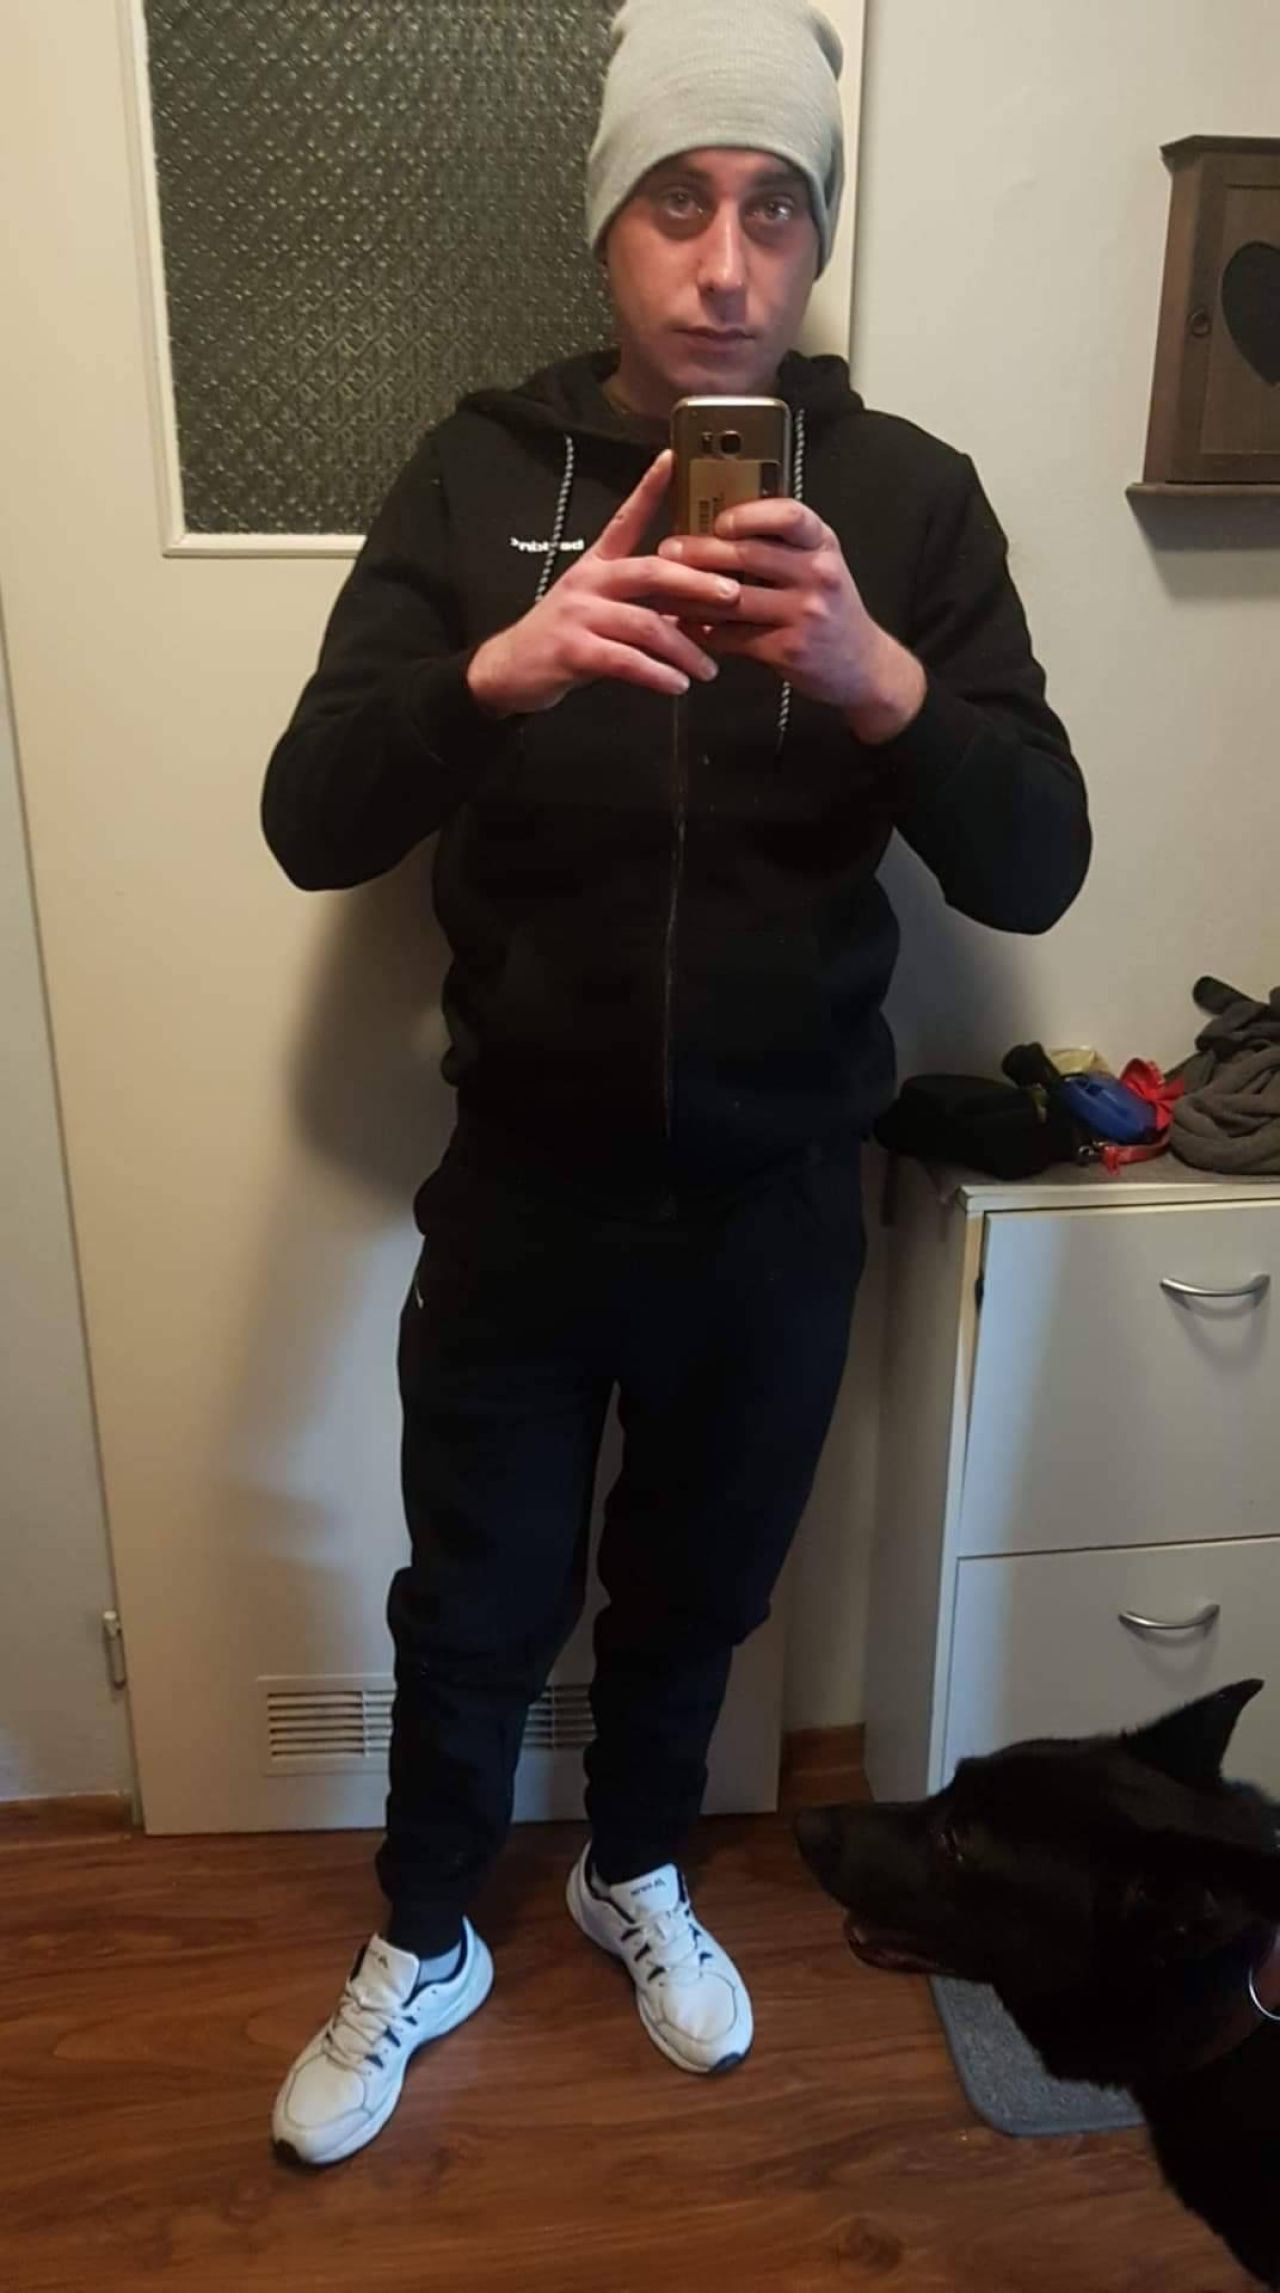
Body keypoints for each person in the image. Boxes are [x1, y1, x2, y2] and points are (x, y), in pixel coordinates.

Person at [262, 0, 1090, 2168]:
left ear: (817, 238)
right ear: (607, 223)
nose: (726, 266)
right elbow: (310, 817)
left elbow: (1036, 857)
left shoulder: (905, 499)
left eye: (776, 210)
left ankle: (633, 1864)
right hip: (525, 1187)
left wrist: (879, 679)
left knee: (699, 1588)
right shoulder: (474, 475)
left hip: (777, 1198)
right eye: (677, 203)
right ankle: (427, 1928)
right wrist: (490, 675)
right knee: (473, 1598)